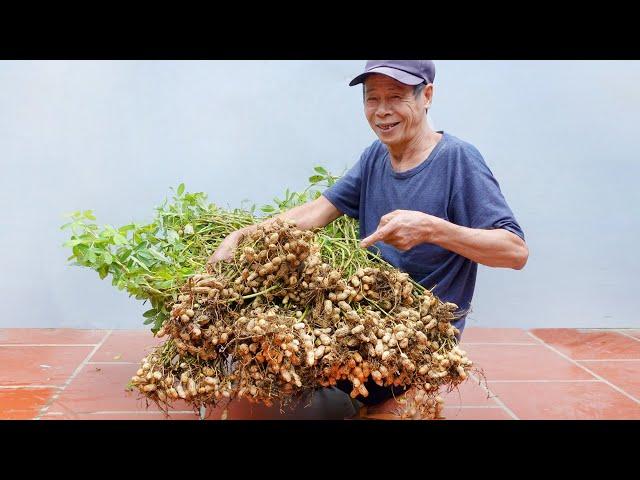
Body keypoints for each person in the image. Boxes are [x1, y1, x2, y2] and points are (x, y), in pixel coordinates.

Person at [207, 60, 528, 417]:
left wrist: (433, 229)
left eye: (396, 97)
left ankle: (402, 395)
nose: (382, 110)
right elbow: (316, 212)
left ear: (428, 97)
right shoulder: (376, 157)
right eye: (372, 98)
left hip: (417, 338)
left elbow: (514, 251)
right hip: (363, 321)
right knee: (257, 357)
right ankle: (361, 395)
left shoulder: (457, 160)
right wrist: (241, 237)